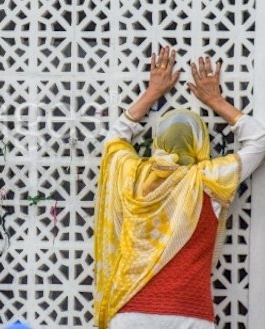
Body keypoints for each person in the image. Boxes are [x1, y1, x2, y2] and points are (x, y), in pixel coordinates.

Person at [94, 46, 265, 329]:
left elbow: (115, 139)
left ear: (158, 141)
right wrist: (215, 100)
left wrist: (152, 93)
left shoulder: (132, 176)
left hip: (130, 313)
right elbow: (259, 140)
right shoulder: (209, 180)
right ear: (201, 144)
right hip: (189, 314)